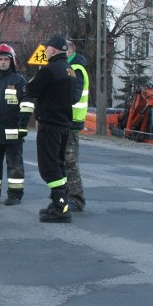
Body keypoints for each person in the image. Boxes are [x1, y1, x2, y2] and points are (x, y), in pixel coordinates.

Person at [26, 35, 79, 223]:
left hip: (49, 124)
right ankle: (59, 203)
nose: (45, 51)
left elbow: (30, 90)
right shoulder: (70, 71)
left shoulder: (49, 70)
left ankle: (61, 208)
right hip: (64, 124)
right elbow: (73, 98)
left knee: (48, 168)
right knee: (58, 165)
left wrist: (32, 82)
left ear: (53, 50)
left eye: (47, 48)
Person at [0, 44, 35, 205]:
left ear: (12, 61)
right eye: (0, 59)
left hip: (13, 133)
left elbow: (27, 104)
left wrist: (22, 126)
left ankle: (14, 195)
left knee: (15, 166)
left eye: (6, 59)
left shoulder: (19, 81)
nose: (3, 62)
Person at [66, 40, 89, 211]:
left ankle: (76, 198)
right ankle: (67, 196)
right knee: (65, 160)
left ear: (69, 51)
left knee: (70, 161)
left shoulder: (75, 69)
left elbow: (73, 96)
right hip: (68, 120)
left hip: (72, 120)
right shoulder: (71, 66)